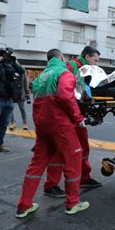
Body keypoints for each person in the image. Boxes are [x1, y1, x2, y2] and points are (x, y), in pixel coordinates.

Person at [15, 49, 89, 218]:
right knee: (73, 161)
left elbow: (37, 101)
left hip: (43, 127)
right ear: (61, 57)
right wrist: (78, 117)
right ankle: (72, 203)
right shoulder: (63, 73)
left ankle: (23, 205)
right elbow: (65, 96)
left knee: (36, 164)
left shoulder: (41, 77)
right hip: (61, 126)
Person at [43, 46, 102, 197]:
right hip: (67, 115)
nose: (97, 64)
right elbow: (65, 93)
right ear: (87, 57)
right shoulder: (71, 66)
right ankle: (51, 185)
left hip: (77, 113)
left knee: (83, 148)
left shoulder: (87, 69)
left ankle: (84, 177)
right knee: (60, 151)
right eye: (95, 60)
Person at [9, 64, 31, 130]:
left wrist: (27, 92)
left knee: (22, 109)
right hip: (12, 93)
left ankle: (25, 123)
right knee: (10, 109)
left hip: (20, 94)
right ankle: (12, 122)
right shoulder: (10, 70)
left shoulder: (22, 70)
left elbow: (25, 82)